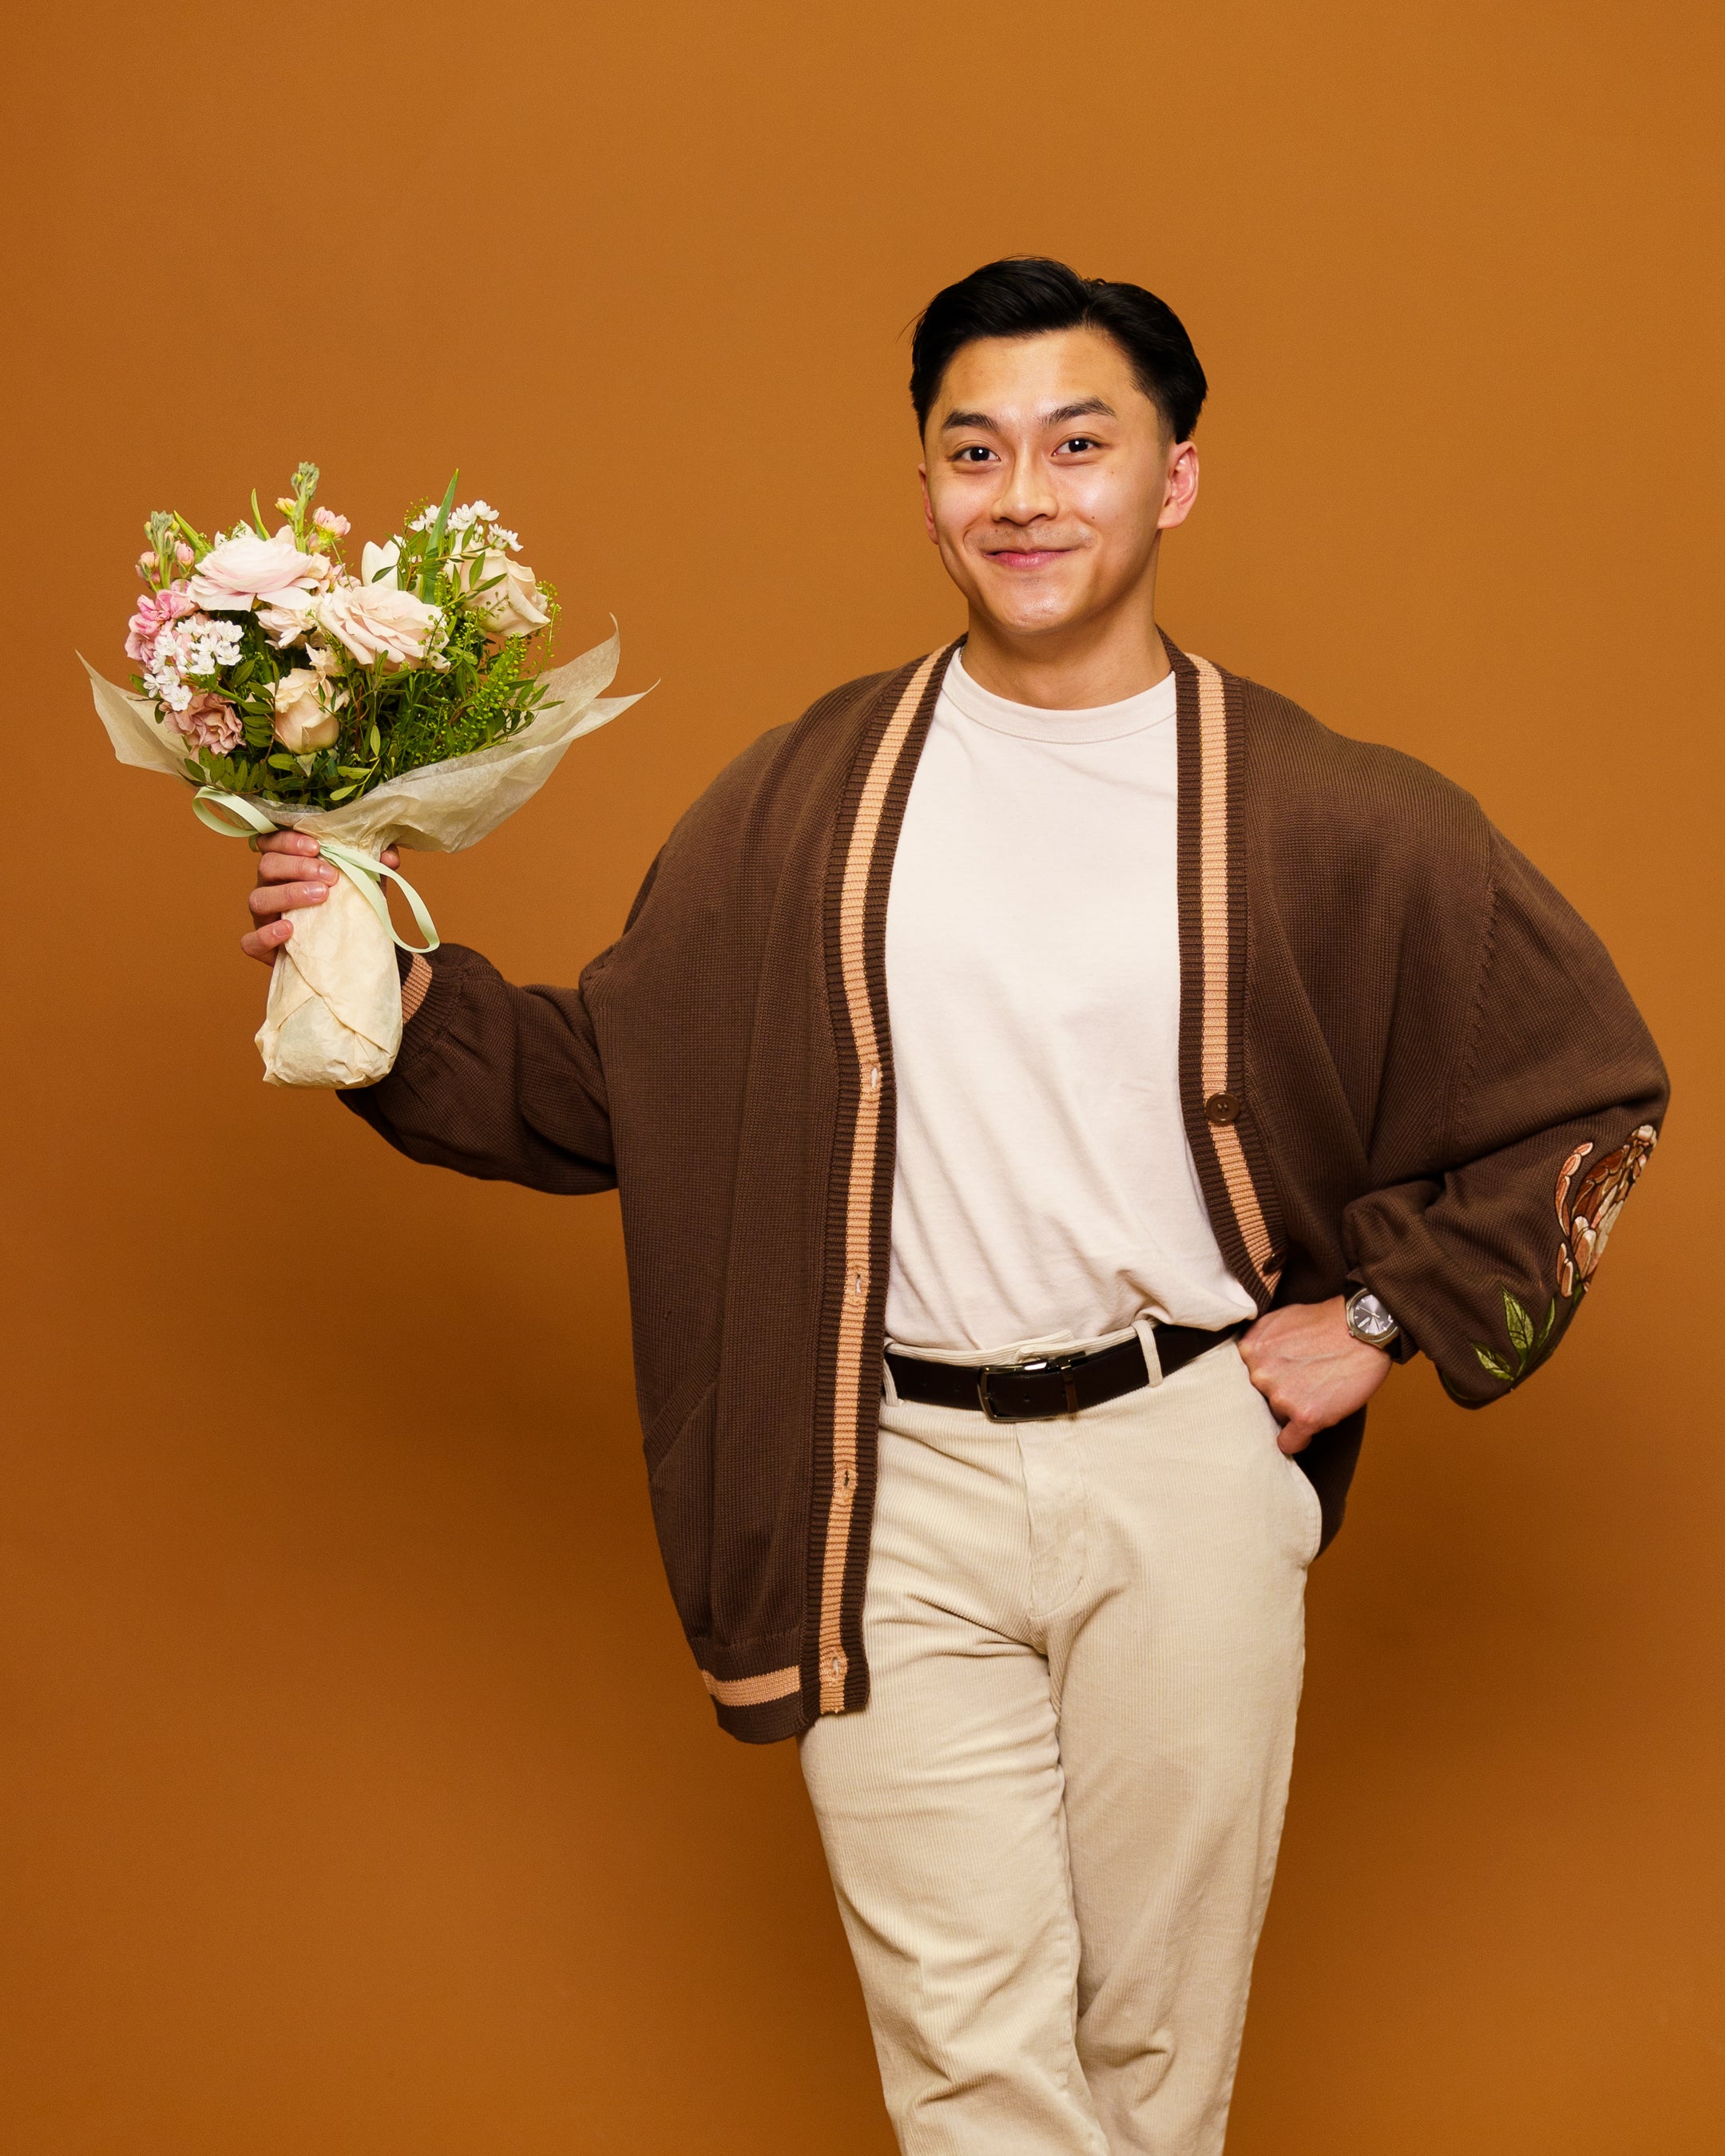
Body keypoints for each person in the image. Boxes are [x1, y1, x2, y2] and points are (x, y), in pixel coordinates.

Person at [240, 259, 1668, 2155]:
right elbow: (617, 1085)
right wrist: (384, 988)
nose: (1023, 495)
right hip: (885, 1480)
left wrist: (1386, 1318)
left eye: (1080, 445)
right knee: (973, 2071)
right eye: (974, 450)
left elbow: (1586, 1087)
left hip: (1189, 1454)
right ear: (924, 486)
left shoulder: (1329, 811)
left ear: (1174, 478)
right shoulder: (805, 799)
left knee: (1157, 2065)